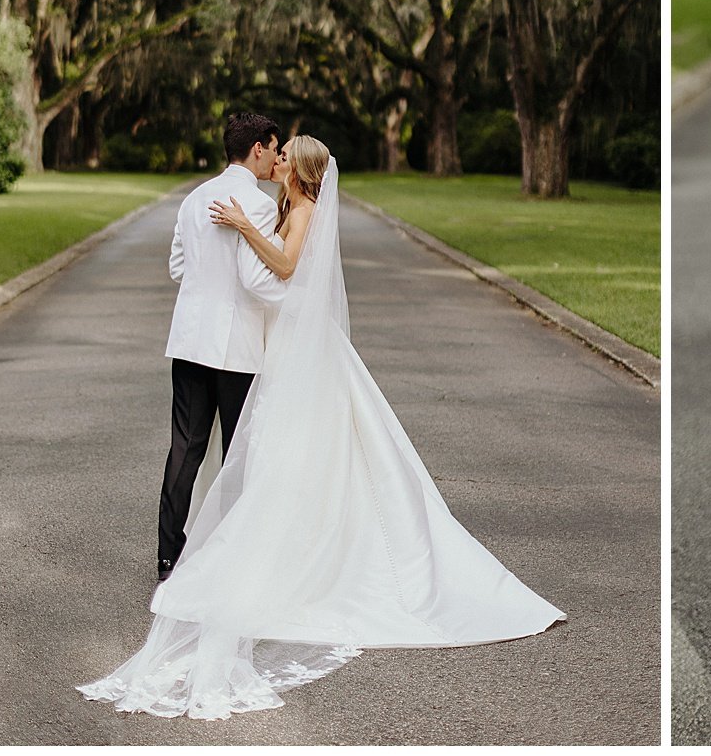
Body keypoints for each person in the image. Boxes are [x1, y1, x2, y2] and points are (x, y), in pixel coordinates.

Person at [79, 135, 564, 719]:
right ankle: (259, 547)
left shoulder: (297, 209)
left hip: (293, 350)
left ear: (298, 168)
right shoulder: (283, 206)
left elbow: (281, 267)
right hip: (281, 346)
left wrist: (244, 227)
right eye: (274, 149)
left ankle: (271, 555)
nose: (275, 157)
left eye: (284, 154)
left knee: (285, 453)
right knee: (274, 453)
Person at [157, 112, 283, 583]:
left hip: (190, 339)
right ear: (257, 148)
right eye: (274, 148)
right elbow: (256, 277)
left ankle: (169, 555)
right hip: (237, 346)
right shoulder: (261, 205)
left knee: (184, 450)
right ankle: (236, 556)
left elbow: (176, 268)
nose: (276, 157)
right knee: (237, 452)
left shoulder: (193, 198)